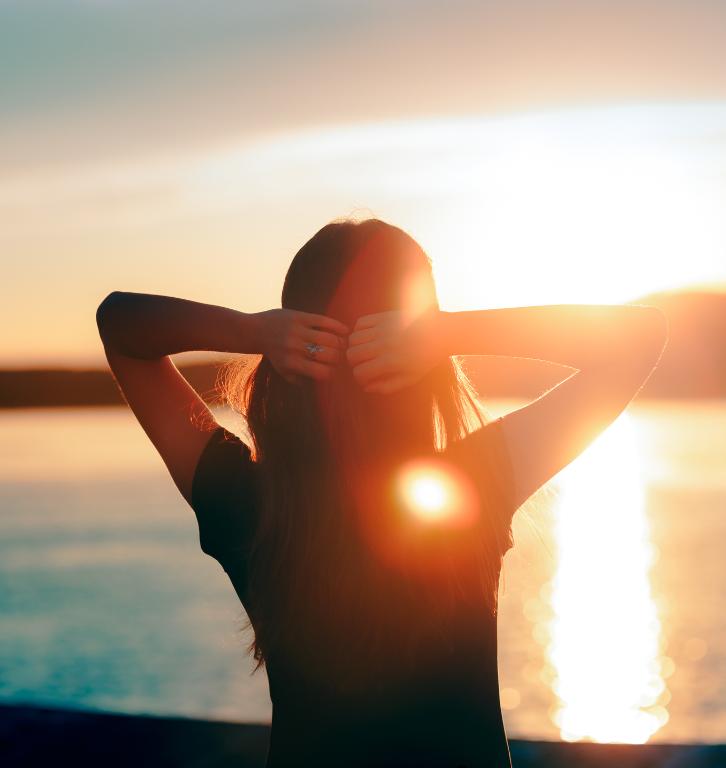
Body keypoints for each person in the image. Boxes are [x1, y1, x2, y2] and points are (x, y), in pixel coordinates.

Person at [96, 218, 667, 767]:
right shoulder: (470, 483)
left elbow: (120, 326)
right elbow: (637, 337)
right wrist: (446, 333)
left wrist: (252, 332)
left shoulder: (245, 498)